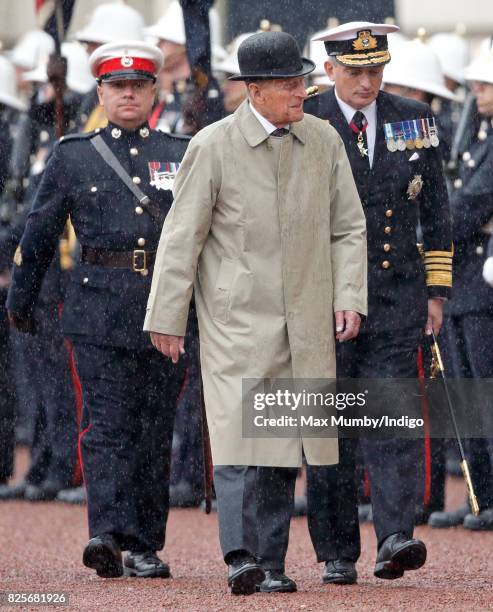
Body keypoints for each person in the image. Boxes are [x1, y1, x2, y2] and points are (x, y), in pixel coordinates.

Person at [144, 30, 367, 595]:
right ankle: (243, 554)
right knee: (243, 439)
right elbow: (181, 237)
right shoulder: (213, 145)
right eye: (291, 84)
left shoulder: (323, 142)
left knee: (284, 441)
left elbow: (348, 228)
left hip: (307, 316)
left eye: (303, 82)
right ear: (257, 90)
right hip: (236, 321)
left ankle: (270, 561)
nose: (302, 92)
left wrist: (349, 296)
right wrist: (166, 316)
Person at [7, 40, 189, 579]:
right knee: (106, 426)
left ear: (153, 91)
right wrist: (22, 299)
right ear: (102, 94)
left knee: (155, 428)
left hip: (163, 308)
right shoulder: (73, 153)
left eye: (138, 86)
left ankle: (145, 543)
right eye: (117, 86)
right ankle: (106, 534)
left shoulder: (180, 151)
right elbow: (38, 233)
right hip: (97, 309)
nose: (128, 94)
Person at [305, 22, 452, 583]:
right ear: (330, 70)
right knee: (332, 427)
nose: (367, 82)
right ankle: (337, 551)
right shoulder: (308, 117)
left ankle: (395, 535)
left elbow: (436, 209)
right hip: (324, 295)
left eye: (376, 70)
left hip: (395, 292)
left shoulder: (412, 119)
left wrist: (436, 291)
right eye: (356, 71)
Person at [428, 49, 493, 531]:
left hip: (481, 286)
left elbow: (472, 201)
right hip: (464, 282)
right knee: (466, 397)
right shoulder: (478, 133)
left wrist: (432, 226)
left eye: (485, 86)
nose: (477, 93)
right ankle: (480, 495)